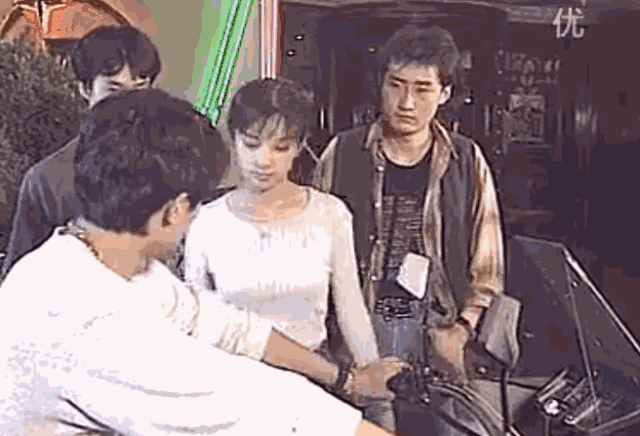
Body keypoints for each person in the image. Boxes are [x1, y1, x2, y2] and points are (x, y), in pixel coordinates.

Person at [0, 88, 404, 436]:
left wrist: (345, 378)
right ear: (175, 210)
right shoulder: (87, 317)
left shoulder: (104, 261)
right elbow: (257, 402)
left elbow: (224, 324)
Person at [311, 25, 505, 435]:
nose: (407, 103)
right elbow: (312, 253)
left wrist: (462, 329)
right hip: (360, 325)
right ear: (380, 85)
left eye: (422, 89)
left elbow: (488, 263)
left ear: (444, 93)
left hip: (439, 328)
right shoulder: (342, 152)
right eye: (396, 85)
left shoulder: (466, 159)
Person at [184, 78, 380, 380]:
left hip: (313, 375)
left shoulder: (329, 214)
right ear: (234, 139)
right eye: (251, 144)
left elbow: (351, 308)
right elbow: (196, 318)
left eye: (281, 147)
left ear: (299, 147)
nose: (263, 160)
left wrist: (371, 373)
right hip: (232, 379)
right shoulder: (206, 221)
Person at [2, 25, 194, 275]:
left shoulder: (177, 164)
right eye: (114, 90)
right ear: (84, 89)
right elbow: (21, 277)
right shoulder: (48, 180)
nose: (129, 104)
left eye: (139, 89)